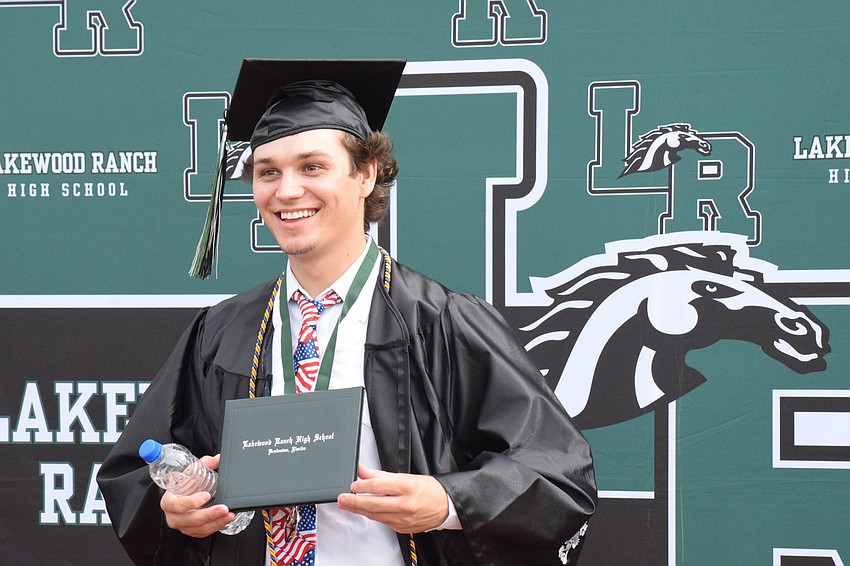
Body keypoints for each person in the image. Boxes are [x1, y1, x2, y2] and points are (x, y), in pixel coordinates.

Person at [97, 58, 597, 566]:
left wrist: (448, 503)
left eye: (312, 167)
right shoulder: (222, 333)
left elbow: (554, 475)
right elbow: (133, 475)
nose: (287, 191)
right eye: (268, 172)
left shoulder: (438, 322)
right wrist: (176, 508)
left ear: (366, 174)